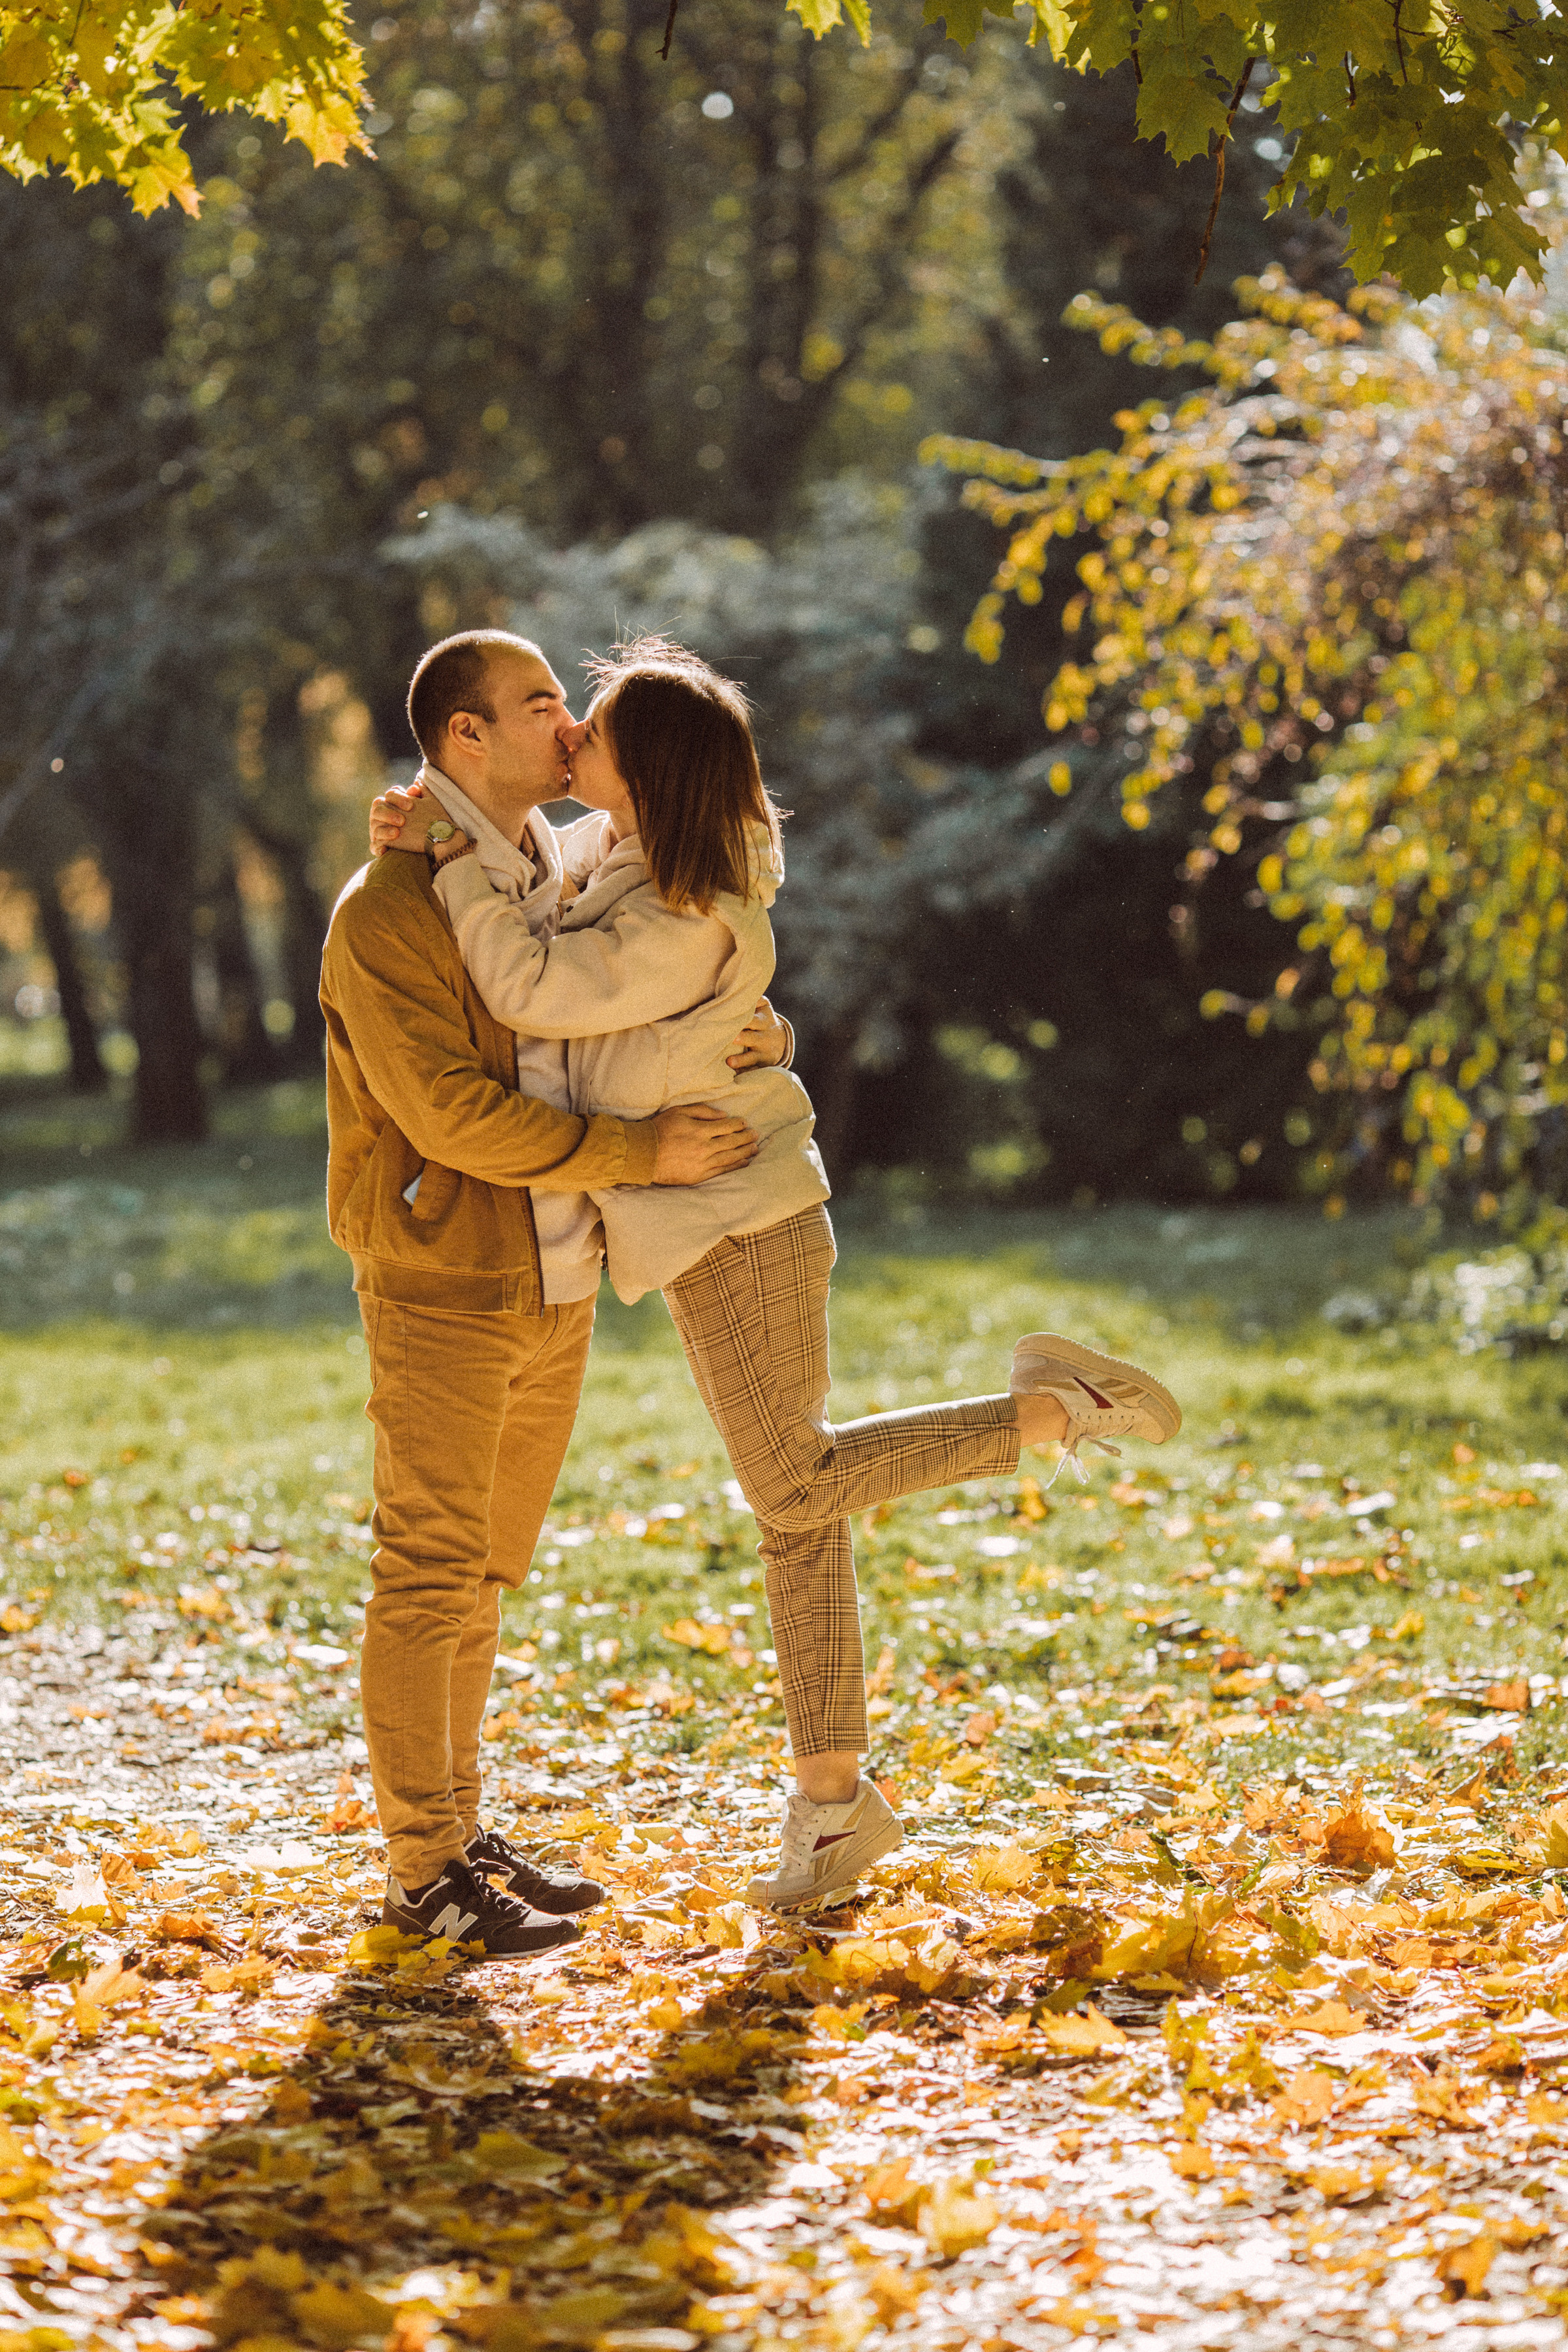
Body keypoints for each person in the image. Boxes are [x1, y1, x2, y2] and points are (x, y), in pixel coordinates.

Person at [370, 636, 1182, 1913]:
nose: (572, 738)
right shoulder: (628, 858)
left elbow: (532, 981)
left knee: (796, 1482)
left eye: (592, 728)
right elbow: (545, 885)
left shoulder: (682, 904)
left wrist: (449, 861)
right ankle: (832, 1807)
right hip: (697, 1220)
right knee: (796, 1510)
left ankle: (1044, 1410)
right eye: (556, 714)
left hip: (735, 1217)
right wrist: (441, 832)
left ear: (654, 774)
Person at [321, 628, 773, 1961]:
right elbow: (454, 1116)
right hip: (448, 1275)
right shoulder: (391, 909)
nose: (568, 728)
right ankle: (424, 1868)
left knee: (485, 1576)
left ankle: (460, 1830)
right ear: (465, 740)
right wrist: (644, 1155)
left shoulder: (537, 866)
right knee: (429, 1571)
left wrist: (767, 1032)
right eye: (536, 707)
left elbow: (678, 967)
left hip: (555, 1270)